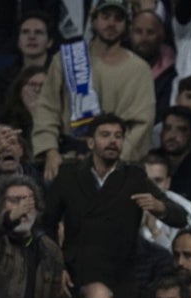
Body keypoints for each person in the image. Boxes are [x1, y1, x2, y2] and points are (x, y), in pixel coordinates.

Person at [41, 114, 188, 298]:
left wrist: (160, 207)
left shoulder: (135, 176)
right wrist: (57, 266)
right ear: (90, 142)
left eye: (118, 136)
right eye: (105, 135)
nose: (113, 141)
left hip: (121, 281)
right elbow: (46, 224)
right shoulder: (68, 174)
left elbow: (181, 218)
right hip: (76, 276)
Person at [33, 0, 155, 174]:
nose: (111, 23)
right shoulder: (66, 59)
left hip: (116, 165)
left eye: (118, 18)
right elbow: (47, 107)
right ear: (93, 19)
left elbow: (142, 124)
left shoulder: (140, 70)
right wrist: (50, 151)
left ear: (126, 25)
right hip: (68, 158)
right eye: (105, 17)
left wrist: (114, 160)